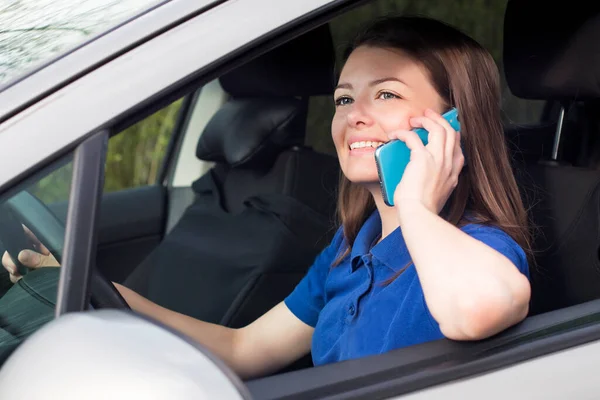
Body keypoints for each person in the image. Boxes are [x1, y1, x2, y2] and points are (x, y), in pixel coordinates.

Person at [2, 15, 532, 380]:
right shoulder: (352, 248)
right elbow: (244, 348)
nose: (353, 115)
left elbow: (479, 309)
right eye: (345, 97)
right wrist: (87, 287)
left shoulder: (475, 247)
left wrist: (415, 205)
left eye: (386, 94)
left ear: (451, 124)